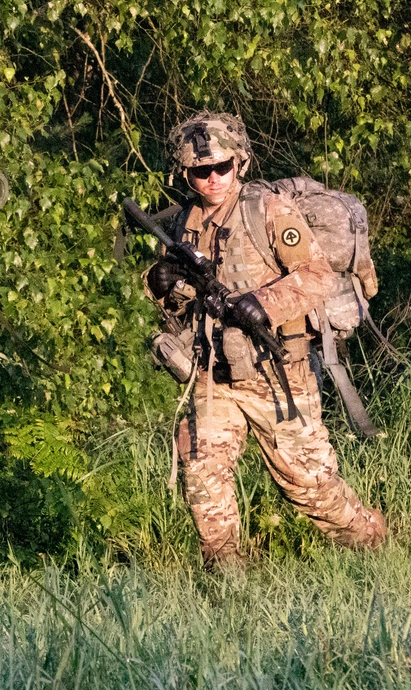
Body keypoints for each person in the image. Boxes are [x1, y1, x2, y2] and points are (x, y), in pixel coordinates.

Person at [145, 111, 386, 569]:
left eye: (222, 167)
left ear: (241, 163)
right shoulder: (184, 224)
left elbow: (317, 277)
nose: (213, 178)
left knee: (312, 490)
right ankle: (226, 580)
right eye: (201, 171)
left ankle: (375, 541)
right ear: (186, 173)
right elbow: (179, 305)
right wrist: (160, 282)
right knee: (202, 475)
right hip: (213, 378)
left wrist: (265, 303)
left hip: (277, 376)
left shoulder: (269, 211)